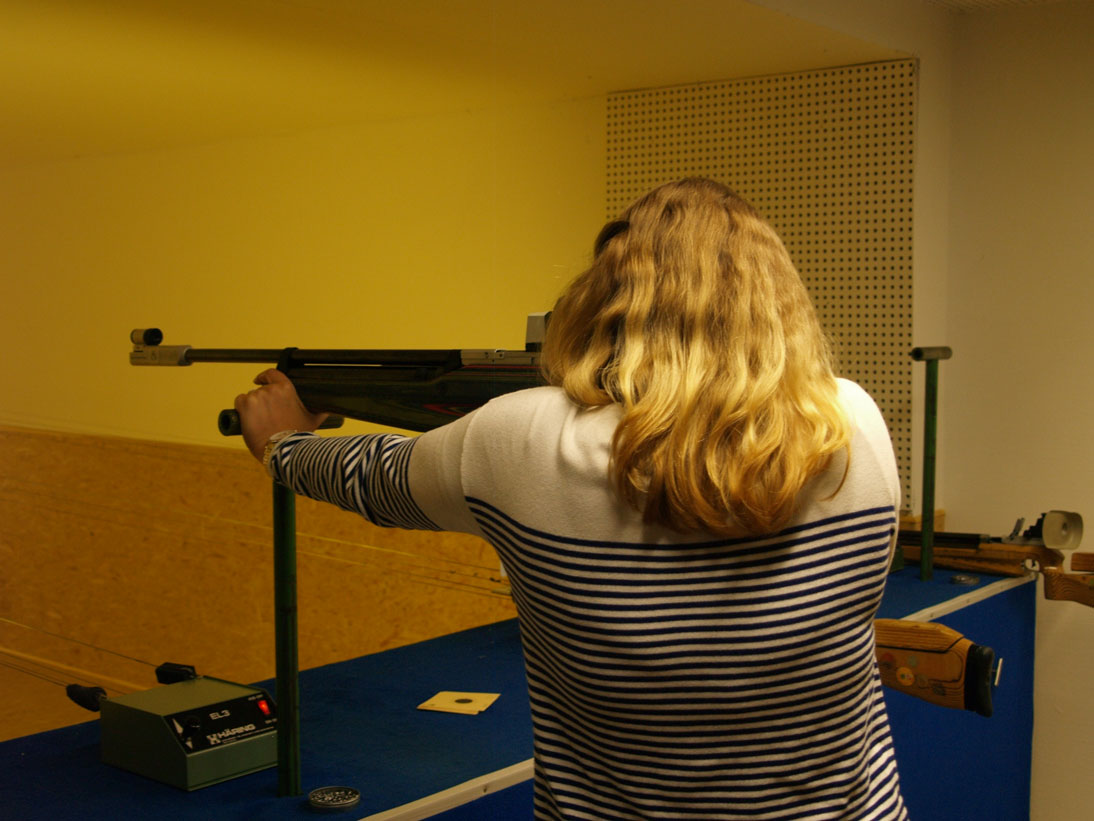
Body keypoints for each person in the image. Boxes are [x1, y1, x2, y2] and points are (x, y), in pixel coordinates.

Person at [235, 178, 907, 820]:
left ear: (606, 296)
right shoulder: (856, 421)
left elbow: (371, 477)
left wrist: (281, 444)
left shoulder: (522, 439)